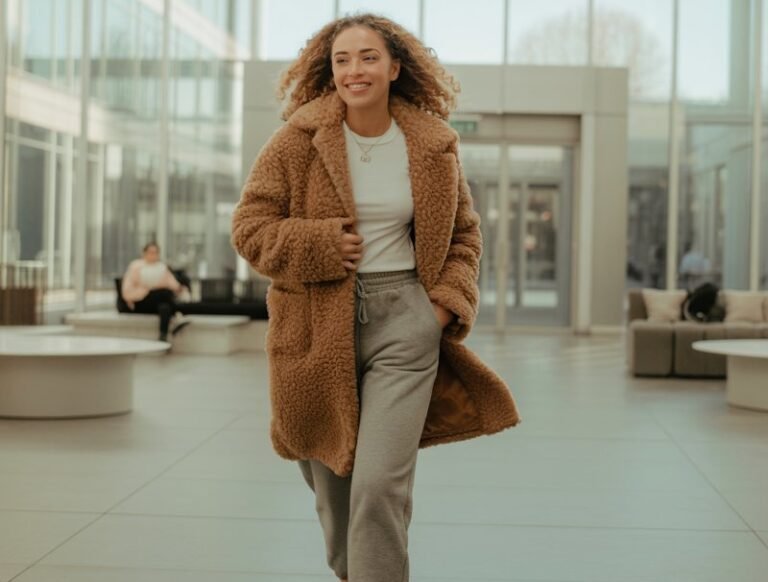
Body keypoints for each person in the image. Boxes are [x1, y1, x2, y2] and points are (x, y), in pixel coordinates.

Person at [231, 14, 520, 582]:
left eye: (367, 57)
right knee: (332, 488)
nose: (354, 69)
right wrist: (320, 243)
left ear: (394, 67)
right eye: (342, 59)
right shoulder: (296, 140)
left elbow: (464, 233)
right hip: (315, 326)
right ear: (328, 69)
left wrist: (437, 309)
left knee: (378, 485)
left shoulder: (433, 145)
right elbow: (250, 226)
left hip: (405, 322)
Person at [121, 242, 189, 341]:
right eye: (150, 252)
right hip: (140, 302)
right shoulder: (136, 266)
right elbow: (127, 292)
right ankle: (178, 314)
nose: (153, 255)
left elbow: (175, 286)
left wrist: (181, 289)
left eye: (156, 252)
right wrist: (146, 290)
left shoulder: (161, 268)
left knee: (165, 307)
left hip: (159, 302)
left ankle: (163, 337)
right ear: (144, 253)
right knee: (164, 292)